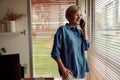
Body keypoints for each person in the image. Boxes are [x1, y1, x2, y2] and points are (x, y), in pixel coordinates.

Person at [51, 5, 90, 80]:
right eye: (76, 15)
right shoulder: (62, 30)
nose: (79, 17)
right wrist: (63, 70)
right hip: (69, 73)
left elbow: (86, 47)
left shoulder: (80, 32)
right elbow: (55, 53)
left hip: (81, 72)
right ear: (69, 16)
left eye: (80, 15)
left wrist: (84, 29)